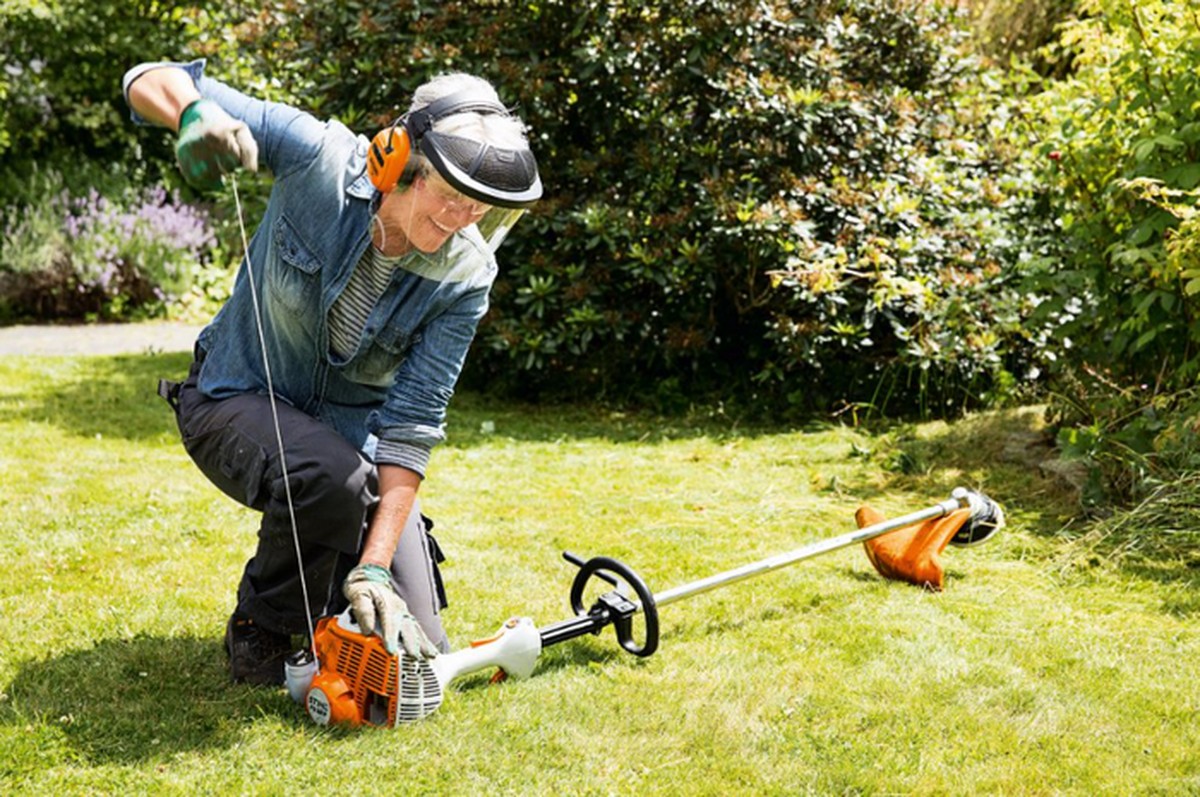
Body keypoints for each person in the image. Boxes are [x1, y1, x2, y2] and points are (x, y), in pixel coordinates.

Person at [122, 58, 542, 685]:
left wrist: (373, 566)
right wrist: (192, 113)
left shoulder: (467, 278)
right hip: (232, 398)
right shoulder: (316, 158)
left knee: (414, 648)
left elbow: (412, 426)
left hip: (350, 450)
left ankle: (335, 592)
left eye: (478, 208)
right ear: (400, 162)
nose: (461, 221)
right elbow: (146, 77)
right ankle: (262, 624)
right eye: (452, 197)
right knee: (332, 480)